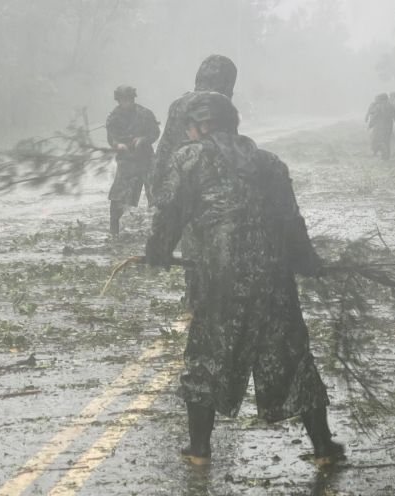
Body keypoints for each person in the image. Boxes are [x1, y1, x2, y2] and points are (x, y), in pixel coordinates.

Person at [145, 92, 345, 467]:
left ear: (202, 125)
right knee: (292, 356)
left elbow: (168, 212)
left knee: (208, 354)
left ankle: (200, 450)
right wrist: (308, 262)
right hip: (275, 276)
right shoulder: (270, 163)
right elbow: (291, 222)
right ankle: (323, 448)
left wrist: (156, 253)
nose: (189, 134)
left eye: (191, 127)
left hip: (223, 276)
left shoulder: (189, 157)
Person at [151, 54, 238, 311]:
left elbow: (164, 147)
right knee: (211, 241)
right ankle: (202, 295)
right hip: (206, 183)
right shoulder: (220, 105)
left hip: (176, 181)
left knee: (192, 242)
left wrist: (158, 189)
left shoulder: (179, 104)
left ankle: (194, 293)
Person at [105, 85, 160, 235]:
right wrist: (118, 145)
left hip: (146, 159)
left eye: (129, 99)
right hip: (126, 162)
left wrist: (143, 139)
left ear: (133, 99)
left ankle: (161, 230)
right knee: (118, 197)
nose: (127, 102)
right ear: (118, 100)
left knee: (157, 195)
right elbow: (111, 138)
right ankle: (113, 230)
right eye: (123, 100)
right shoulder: (113, 117)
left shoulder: (145, 114)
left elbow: (155, 132)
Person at [365, 94, 395, 160]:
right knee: (387, 141)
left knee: (380, 141)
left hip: (381, 127)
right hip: (389, 126)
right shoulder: (391, 106)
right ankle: (386, 157)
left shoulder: (378, 106)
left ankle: (383, 154)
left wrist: (370, 124)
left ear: (381, 99)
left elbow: (375, 116)